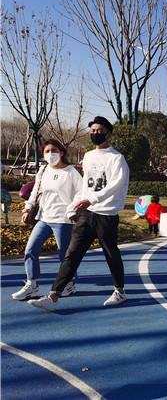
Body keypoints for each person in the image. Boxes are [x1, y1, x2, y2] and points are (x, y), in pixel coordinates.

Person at [28, 116, 130, 312]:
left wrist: (93, 199)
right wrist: (73, 207)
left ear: (108, 134)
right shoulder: (89, 156)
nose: (95, 134)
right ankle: (53, 296)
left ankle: (120, 291)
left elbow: (116, 185)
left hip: (106, 215)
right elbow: (85, 186)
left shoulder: (117, 158)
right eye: (92, 131)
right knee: (71, 254)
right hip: (86, 214)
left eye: (99, 131)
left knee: (111, 254)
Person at [11, 140, 82, 301]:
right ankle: (32, 285)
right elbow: (35, 191)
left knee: (64, 254)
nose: (51, 154)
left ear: (61, 152)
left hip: (63, 219)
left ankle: (69, 283)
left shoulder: (71, 172)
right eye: (47, 151)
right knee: (30, 250)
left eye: (54, 150)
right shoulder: (43, 170)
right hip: (44, 218)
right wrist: (27, 208)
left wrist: (72, 209)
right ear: (43, 155)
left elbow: (81, 192)